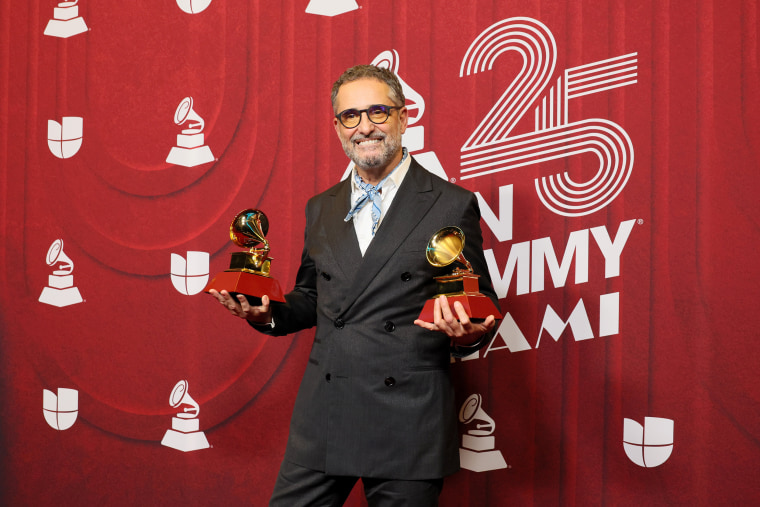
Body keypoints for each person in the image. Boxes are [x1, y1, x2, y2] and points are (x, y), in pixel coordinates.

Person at [211, 65, 500, 507]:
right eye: (350, 116)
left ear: (404, 118)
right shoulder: (320, 208)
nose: (364, 126)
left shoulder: (451, 204)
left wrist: (469, 334)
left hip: (407, 419)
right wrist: (265, 311)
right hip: (326, 413)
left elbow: (481, 305)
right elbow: (311, 299)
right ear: (337, 127)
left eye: (378, 112)